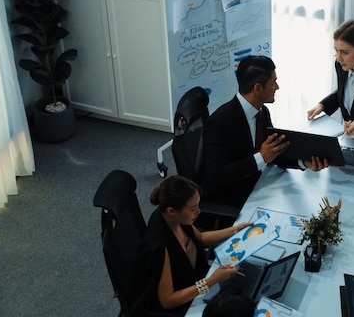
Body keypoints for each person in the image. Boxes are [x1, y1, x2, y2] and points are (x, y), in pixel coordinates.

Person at [202, 55, 329, 212]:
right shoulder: (220, 122)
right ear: (257, 88)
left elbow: (274, 151)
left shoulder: (262, 111)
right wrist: (260, 158)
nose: (277, 87)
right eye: (273, 82)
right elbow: (217, 176)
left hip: (258, 184)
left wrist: (303, 162)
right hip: (233, 197)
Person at [131, 175, 254, 316]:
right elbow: (168, 301)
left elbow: (200, 238)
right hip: (178, 306)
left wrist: (235, 230)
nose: (199, 212)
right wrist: (210, 281)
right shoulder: (158, 246)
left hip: (193, 282)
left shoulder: (178, 220)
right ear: (172, 211)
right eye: (193, 208)